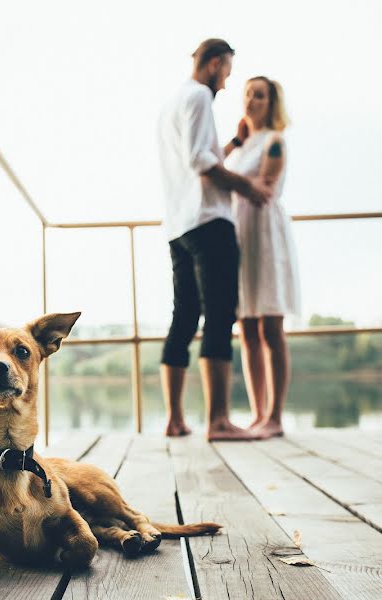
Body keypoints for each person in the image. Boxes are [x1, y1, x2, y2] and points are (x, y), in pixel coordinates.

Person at [157, 39, 272, 441]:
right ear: (215, 63)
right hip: (209, 221)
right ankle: (220, 421)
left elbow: (198, 157)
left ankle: (174, 420)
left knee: (184, 316)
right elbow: (203, 164)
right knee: (221, 316)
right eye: (227, 72)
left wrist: (234, 146)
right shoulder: (201, 98)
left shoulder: (172, 103)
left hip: (179, 224)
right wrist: (248, 188)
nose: (226, 82)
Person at [224, 76, 301, 439]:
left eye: (260, 95)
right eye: (248, 94)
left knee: (271, 325)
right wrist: (235, 142)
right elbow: (213, 171)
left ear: (271, 103)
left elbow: (263, 190)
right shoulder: (240, 147)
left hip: (265, 235)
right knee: (248, 329)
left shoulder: (274, 142)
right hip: (238, 236)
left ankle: (275, 416)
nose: (252, 100)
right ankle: (257, 414)